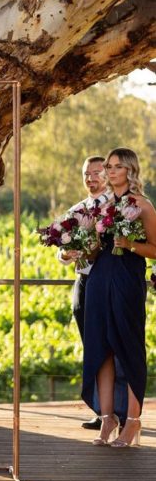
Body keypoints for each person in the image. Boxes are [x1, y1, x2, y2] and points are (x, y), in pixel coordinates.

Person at [82, 148, 156, 448]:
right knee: (101, 349)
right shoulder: (101, 206)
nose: (110, 172)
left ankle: (133, 422)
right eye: (108, 167)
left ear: (129, 170)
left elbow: (155, 248)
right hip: (99, 279)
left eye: (116, 167)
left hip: (127, 281)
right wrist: (85, 245)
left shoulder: (142, 205)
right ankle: (108, 418)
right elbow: (95, 249)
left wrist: (129, 244)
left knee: (128, 346)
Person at [58, 156, 126, 430]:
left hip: (111, 286)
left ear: (108, 175)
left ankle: (120, 411)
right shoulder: (76, 210)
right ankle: (101, 410)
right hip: (84, 283)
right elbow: (61, 251)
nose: (91, 178)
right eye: (87, 173)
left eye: (97, 173)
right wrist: (66, 253)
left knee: (115, 346)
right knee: (93, 346)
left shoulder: (119, 208)